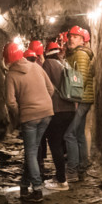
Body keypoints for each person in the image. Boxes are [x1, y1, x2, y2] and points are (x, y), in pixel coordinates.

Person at [4, 42, 54, 203]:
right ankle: (24, 185)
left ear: (7, 59)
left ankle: (37, 189)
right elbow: (51, 89)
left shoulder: (11, 75)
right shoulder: (36, 66)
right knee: (32, 151)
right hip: (47, 113)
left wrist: (19, 116)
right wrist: (43, 103)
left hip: (29, 116)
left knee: (31, 152)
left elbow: (10, 102)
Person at [39, 42, 75, 191]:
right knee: (60, 143)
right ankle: (63, 175)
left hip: (57, 110)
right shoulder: (64, 63)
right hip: (70, 109)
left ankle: (61, 181)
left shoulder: (48, 64)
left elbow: (43, 86)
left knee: (55, 145)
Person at [64, 25, 94, 182]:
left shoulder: (81, 54)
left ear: (83, 40)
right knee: (80, 134)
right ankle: (82, 168)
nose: (71, 39)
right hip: (83, 99)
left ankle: (73, 171)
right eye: (70, 36)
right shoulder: (77, 53)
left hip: (80, 99)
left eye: (75, 37)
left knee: (69, 134)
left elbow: (79, 78)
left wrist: (75, 99)